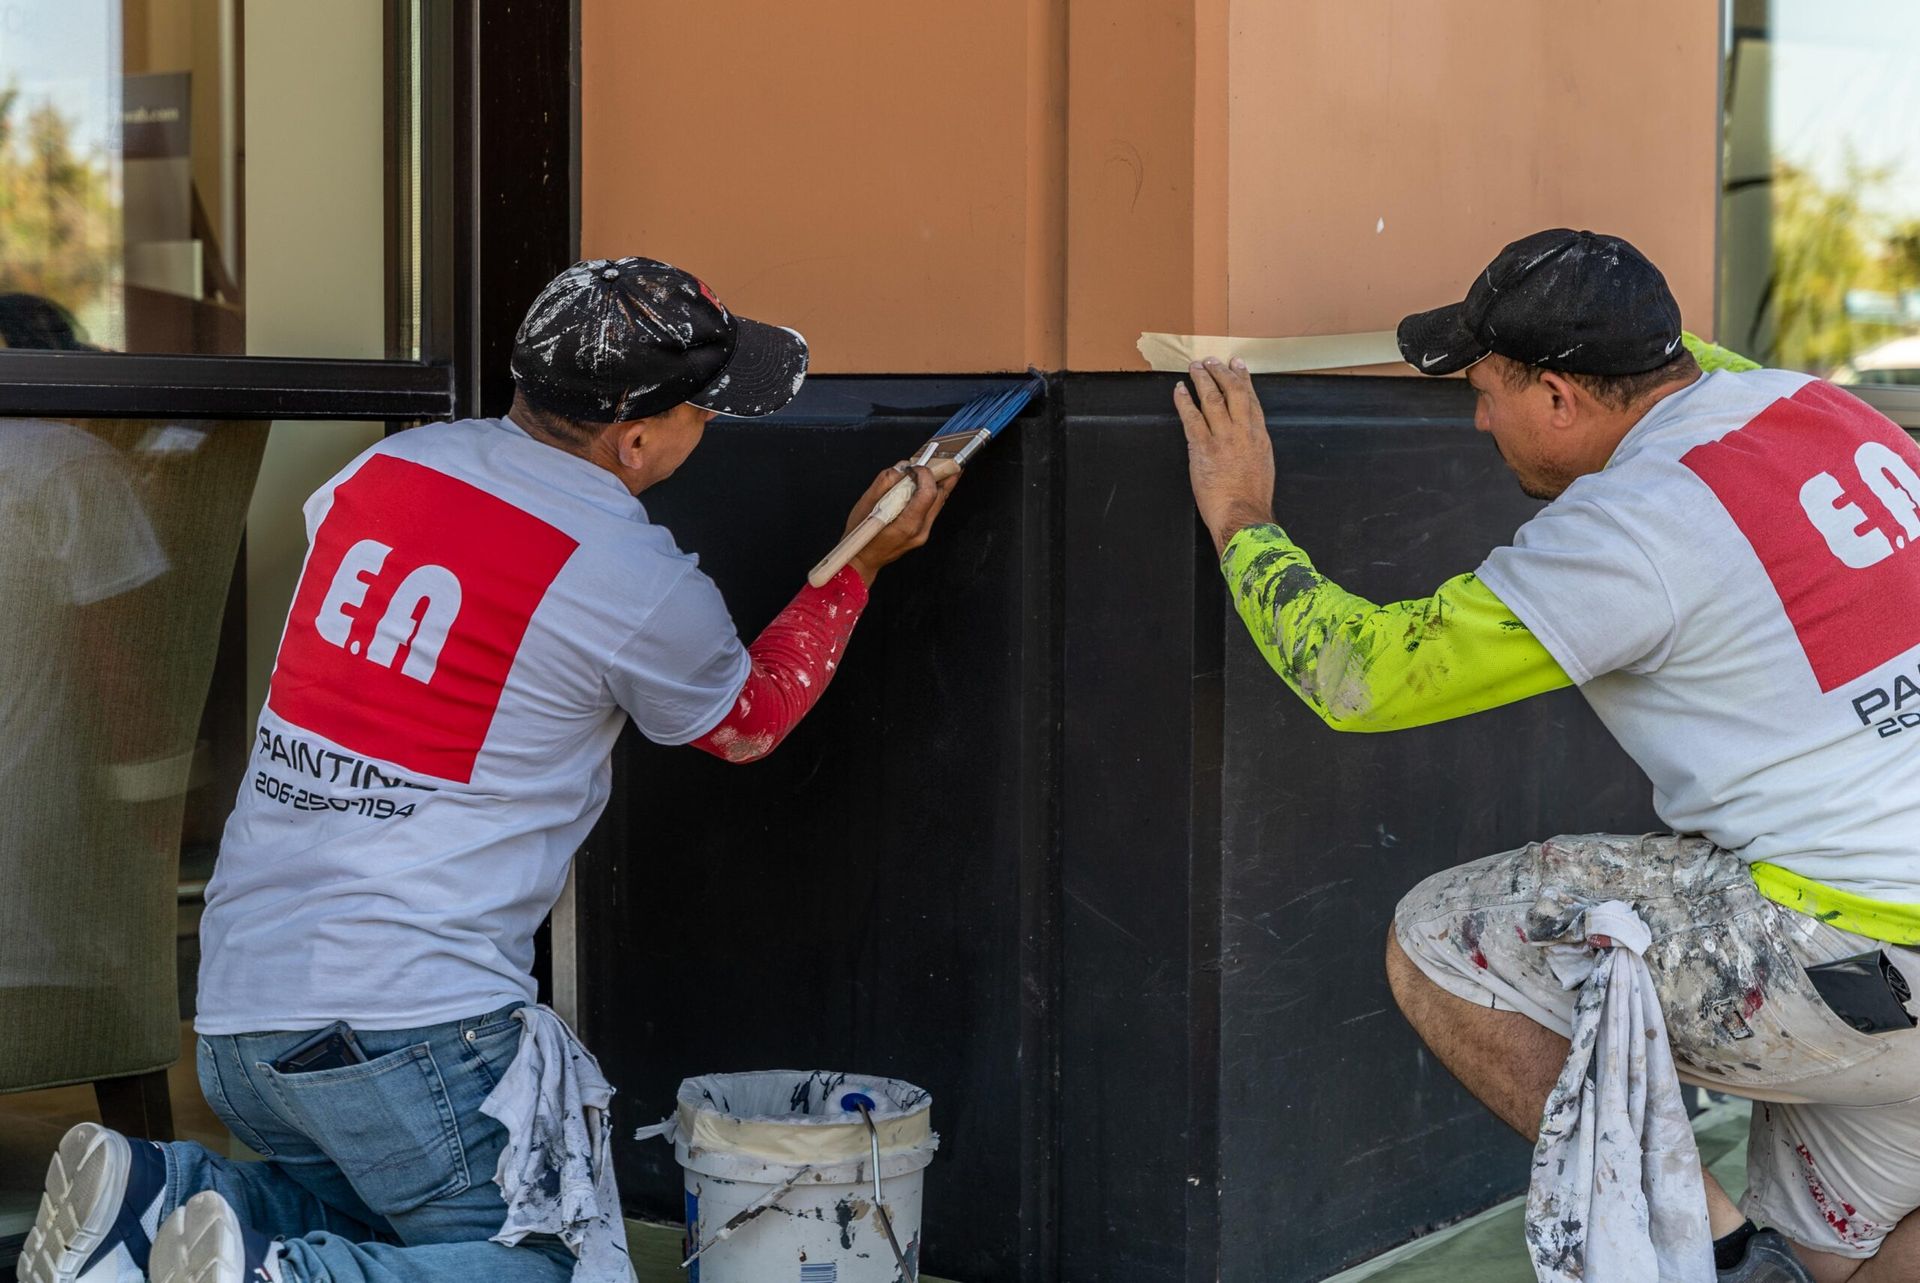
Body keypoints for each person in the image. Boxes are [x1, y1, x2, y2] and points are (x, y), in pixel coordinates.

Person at [19, 257, 958, 1283]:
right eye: (704, 410)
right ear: (636, 437)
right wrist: (858, 566)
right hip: (411, 1024)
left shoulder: (384, 474)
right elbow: (745, 721)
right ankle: (283, 1276)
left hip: (246, 1007)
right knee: (550, 1265)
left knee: (389, 1214)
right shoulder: (626, 572)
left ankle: (156, 1198)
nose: (710, 427)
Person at [1174, 228, 1920, 1283]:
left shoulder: (1631, 528)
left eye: (1489, 389)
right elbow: (1685, 351)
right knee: (1844, 1258)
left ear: (1564, 397)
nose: (1478, 417)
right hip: (1894, 982)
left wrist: (1243, 513)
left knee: (1444, 938)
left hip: (1847, 952)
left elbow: (1365, 675)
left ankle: (1718, 1250)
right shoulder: (1811, 405)